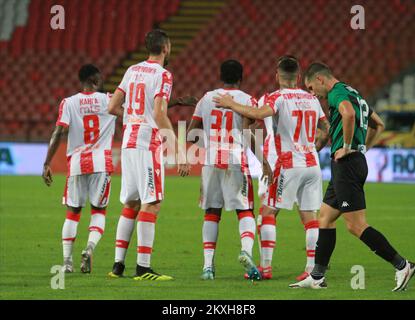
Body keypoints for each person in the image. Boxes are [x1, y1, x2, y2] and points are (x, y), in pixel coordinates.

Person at [289, 62, 415, 291]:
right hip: (351, 162)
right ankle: (317, 276)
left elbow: (347, 114)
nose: (311, 93)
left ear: (320, 79)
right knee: (325, 218)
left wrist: (348, 146)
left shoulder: (337, 94)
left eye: (310, 87)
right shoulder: (353, 92)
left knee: (356, 225)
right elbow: (379, 124)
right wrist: (363, 148)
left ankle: (402, 265)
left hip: (347, 164)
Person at [213, 56, 330, 281]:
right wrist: (315, 147)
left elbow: (257, 115)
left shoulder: (274, 98)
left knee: (267, 213)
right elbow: (325, 127)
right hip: (312, 164)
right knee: (310, 217)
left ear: (277, 76)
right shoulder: (312, 98)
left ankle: (265, 268)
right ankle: (311, 270)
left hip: (287, 165)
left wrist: (231, 104)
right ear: (298, 76)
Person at [107, 29, 190, 281]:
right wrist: (179, 150)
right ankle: (143, 268)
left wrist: (133, 120)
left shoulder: (132, 70)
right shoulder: (163, 75)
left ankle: (117, 266)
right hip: (147, 143)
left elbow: (112, 107)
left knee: (131, 202)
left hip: (129, 142)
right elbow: (159, 114)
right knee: (151, 203)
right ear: (166, 48)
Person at [187, 60, 272, 281]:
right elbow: (248, 134)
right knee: (244, 210)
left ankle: (207, 267)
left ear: (220, 76)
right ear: (241, 78)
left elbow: (190, 134)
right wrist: (263, 161)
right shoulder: (246, 100)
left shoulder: (206, 99)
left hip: (211, 161)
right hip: (236, 159)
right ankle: (245, 251)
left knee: (212, 213)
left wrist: (211, 147)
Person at [42, 64, 116, 274]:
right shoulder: (109, 99)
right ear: (94, 79)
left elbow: (58, 133)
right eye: (99, 78)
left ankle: (67, 262)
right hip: (101, 163)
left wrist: (47, 162)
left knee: (73, 213)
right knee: (99, 210)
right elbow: (138, 109)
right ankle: (89, 248)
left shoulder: (69, 103)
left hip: (76, 163)